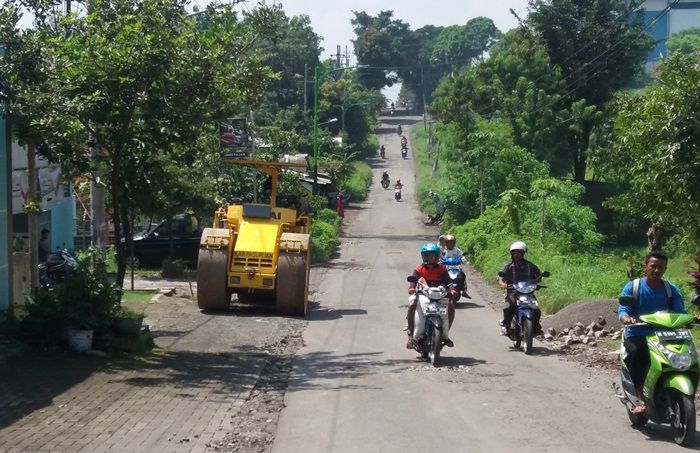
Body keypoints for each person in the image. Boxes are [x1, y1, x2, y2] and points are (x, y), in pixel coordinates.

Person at [618, 251, 685, 414]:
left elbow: (680, 312)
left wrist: (690, 319)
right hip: (638, 333)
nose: (656, 270)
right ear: (645, 267)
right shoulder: (634, 287)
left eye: (660, 267)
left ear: (665, 269)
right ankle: (639, 394)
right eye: (653, 266)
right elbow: (624, 308)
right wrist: (626, 318)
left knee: (683, 355)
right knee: (638, 352)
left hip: (665, 335)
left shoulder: (671, 290)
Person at [406, 243, 458, 349]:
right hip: (422, 294)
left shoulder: (442, 269)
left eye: (433, 255)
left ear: (437, 256)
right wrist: (411, 288)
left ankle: (445, 335)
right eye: (428, 256)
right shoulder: (419, 269)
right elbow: (413, 281)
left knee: (451, 307)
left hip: (439, 293)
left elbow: (448, 282)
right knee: (412, 305)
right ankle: (411, 336)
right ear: (424, 256)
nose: (431, 258)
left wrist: (452, 290)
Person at [497, 241, 542, 336]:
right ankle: (506, 325)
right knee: (508, 306)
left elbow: (538, 277)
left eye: (519, 252)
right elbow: (501, 277)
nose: (516, 254)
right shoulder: (509, 267)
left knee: (536, 308)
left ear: (524, 253)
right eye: (514, 252)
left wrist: (536, 282)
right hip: (513, 292)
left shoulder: (531, 266)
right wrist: (502, 283)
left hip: (528, 293)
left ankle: (536, 327)